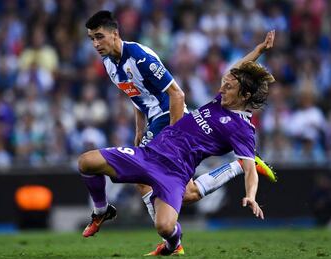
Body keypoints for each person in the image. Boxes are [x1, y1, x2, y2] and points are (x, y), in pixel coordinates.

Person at [83, 9, 277, 245]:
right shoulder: (110, 64)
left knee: (154, 183)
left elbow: (177, 94)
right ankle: (167, 235)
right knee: (186, 192)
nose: (95, 43)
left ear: (115, 34)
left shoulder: (140, 57)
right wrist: (138, 130)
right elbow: (137, 95)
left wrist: (173, 136)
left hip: (168, 118)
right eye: (91, 38)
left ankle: (166, 236)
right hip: (159, 123)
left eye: (99, 37)